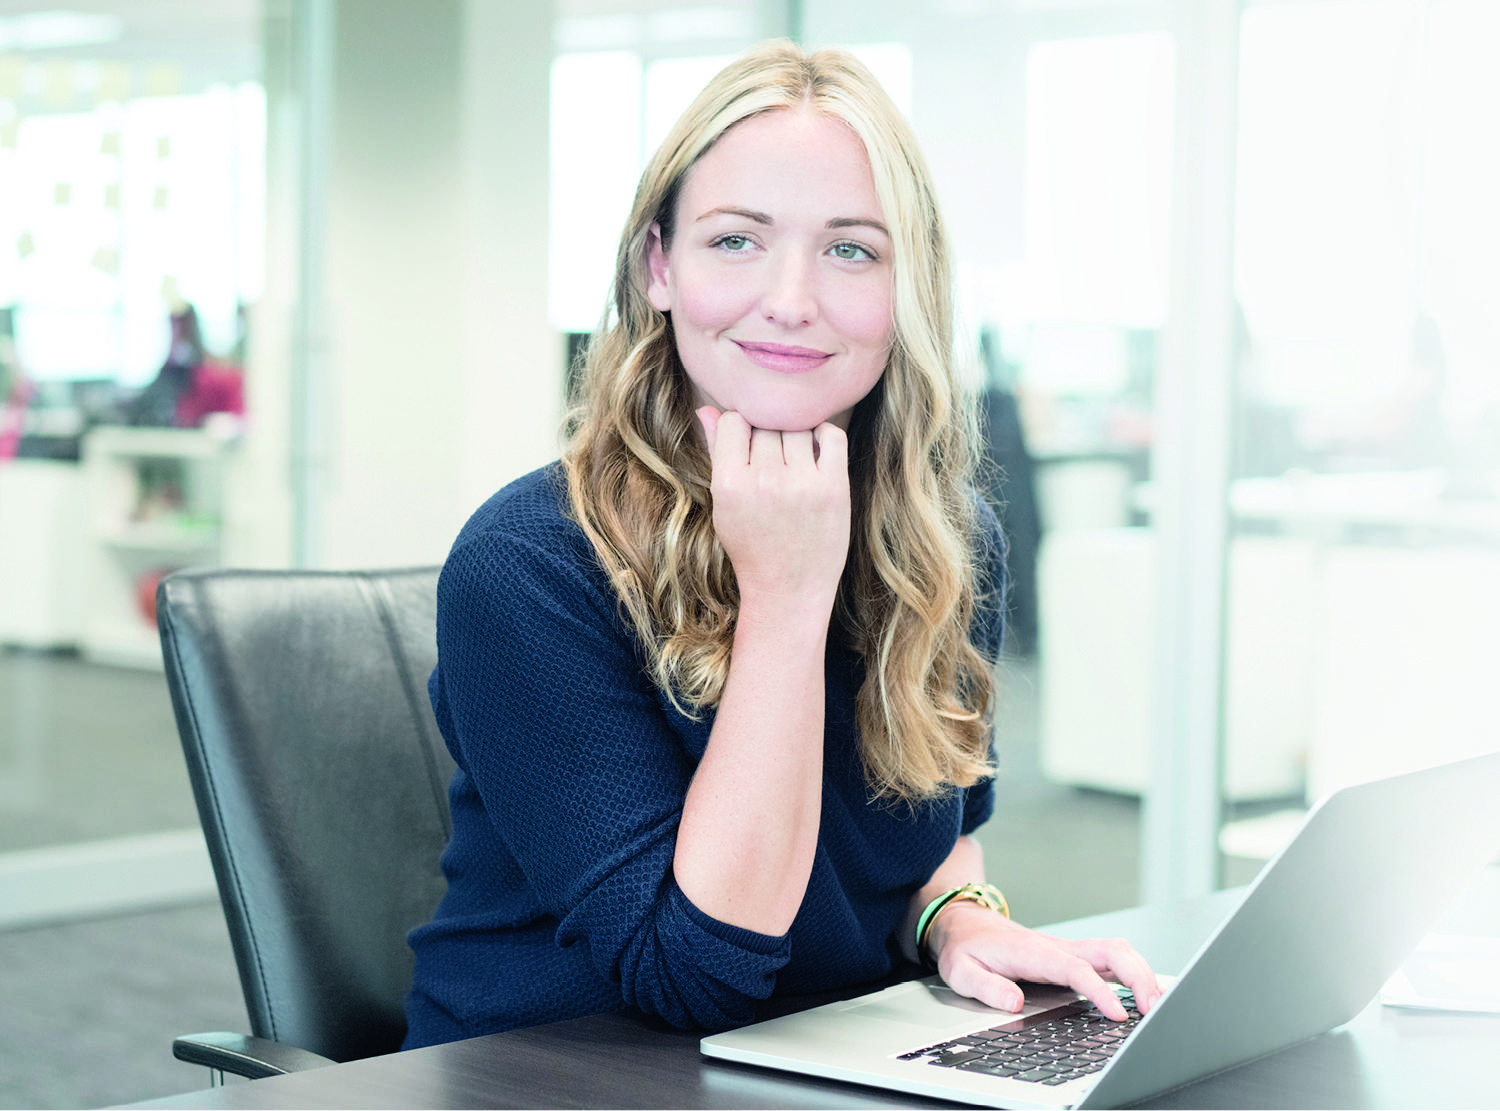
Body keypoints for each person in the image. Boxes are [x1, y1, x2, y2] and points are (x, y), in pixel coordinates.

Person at [402, 39, 1159, 1049]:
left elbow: (937, 823)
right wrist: (788, 599)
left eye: (851, 248)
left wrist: (955, 916)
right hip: (566, 1074)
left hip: (834, 1056)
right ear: (657, 265)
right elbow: (697, 972)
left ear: (909, 289)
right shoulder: (532, 562)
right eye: (736, 241)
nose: (792, 298)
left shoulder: (944, 539)